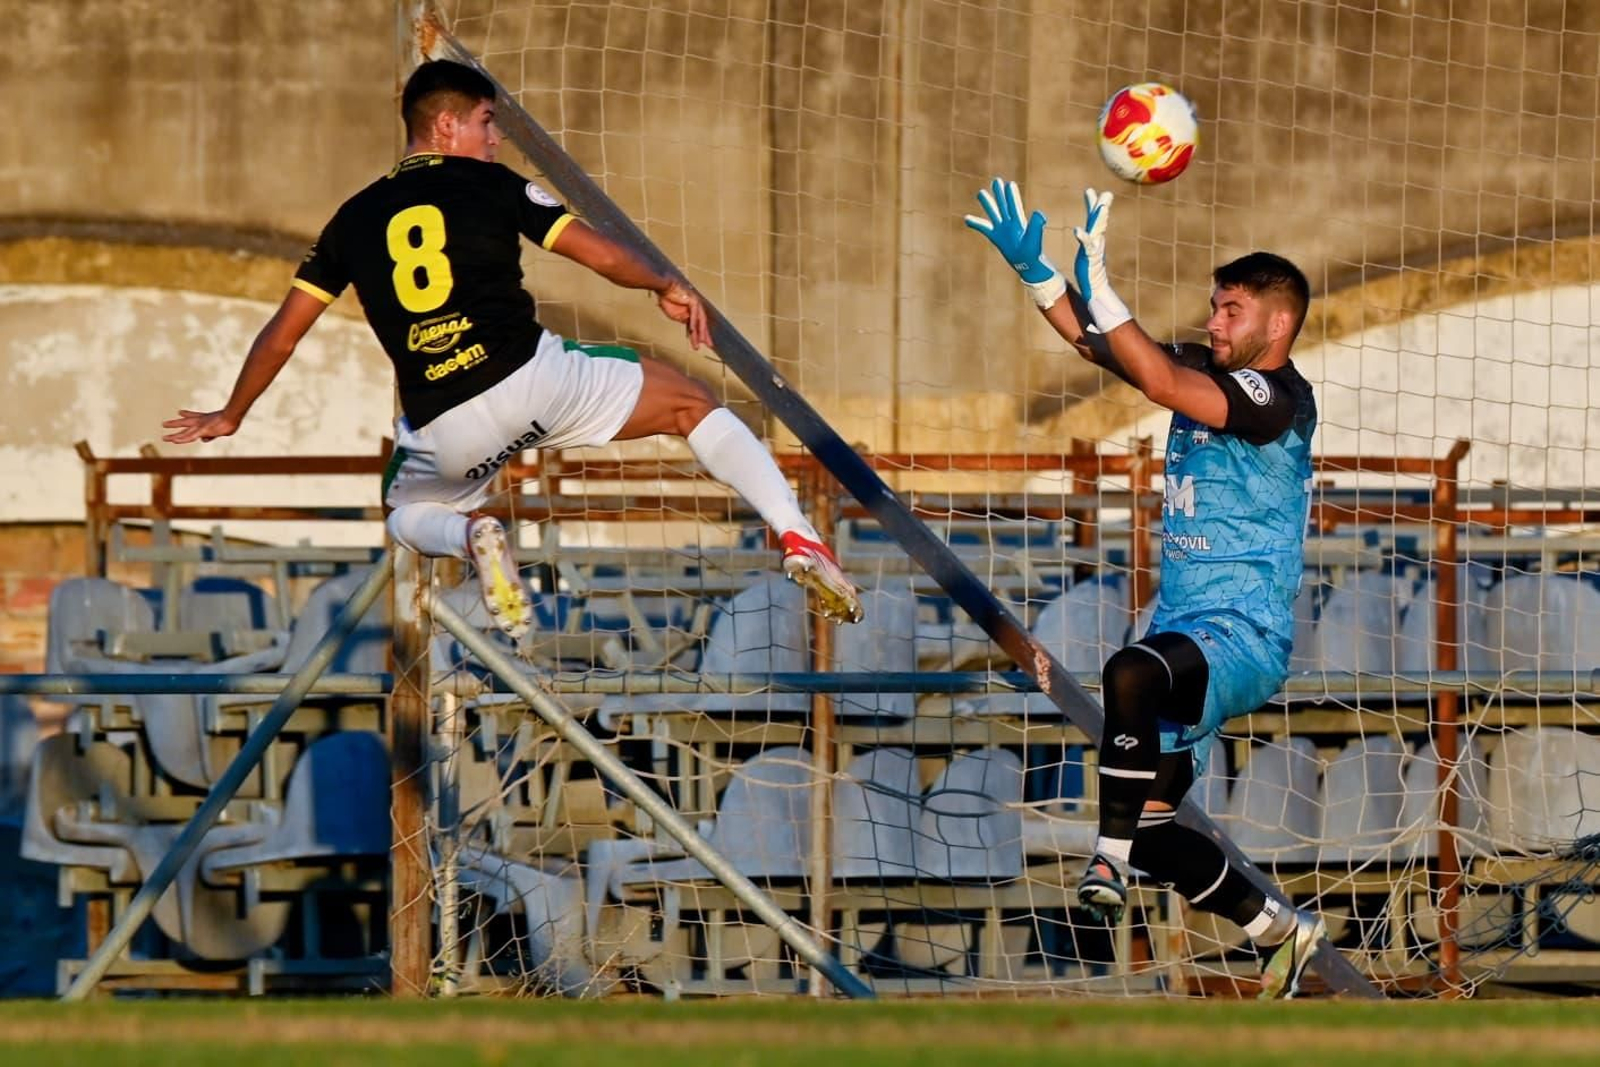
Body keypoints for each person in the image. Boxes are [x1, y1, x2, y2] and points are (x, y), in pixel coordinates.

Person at [163, 59, 862, 635]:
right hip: (536, 378)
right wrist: (665, 284)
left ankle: (473, 539)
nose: (495, 138)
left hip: (446, 424)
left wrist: (232, 413)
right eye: (487, 122)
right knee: (691, 404)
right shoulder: (492, 183)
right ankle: (796, 533)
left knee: (405, 515)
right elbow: (598, 255)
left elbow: (282, 333)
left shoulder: (351, 219)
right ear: (446, 124)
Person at [966, 178, 1323, 998]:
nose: (1213, 320)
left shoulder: (1280, 400)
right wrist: (1041, 274)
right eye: (1213, 306)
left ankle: (1105, 861)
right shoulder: (1206, 368)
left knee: (1129, 672)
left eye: (1230, 309)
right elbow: (1102, 345)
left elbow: (1159, 384)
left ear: (1277, 322)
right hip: (1184, 625)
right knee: (1159, 826)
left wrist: (1109, 285)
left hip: (1240, 636)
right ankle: (1281, 932)